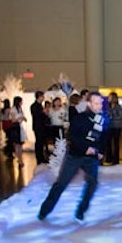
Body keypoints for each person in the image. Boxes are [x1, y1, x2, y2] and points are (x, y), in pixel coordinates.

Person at [38, 91, 109, 222]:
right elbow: (73, 137)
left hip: (91, 158)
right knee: (61, 184)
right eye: (96, 103)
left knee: (92, 183)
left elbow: (104, 138)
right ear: (89, 103)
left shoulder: (103, 119)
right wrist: (85, 148)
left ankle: (81, 211)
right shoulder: (80, 118)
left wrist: (100, 151)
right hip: (74, 156)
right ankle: (44, 210)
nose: (99, 106)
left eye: (101, 103)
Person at [30, 90, 48, 165]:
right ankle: (39, 158)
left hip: (42, 126)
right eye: (42, 96)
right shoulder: (34, 106)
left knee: (41, 142)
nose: (43, 98)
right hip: (38, 126)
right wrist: (43, 112)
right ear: (39, 97)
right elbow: (36, 115)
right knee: (39, 142)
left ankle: (42, 157)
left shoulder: (40, 105)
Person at [105, 92, 122, 165]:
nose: (108, 98)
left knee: (116, 143)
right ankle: (109, 158)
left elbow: (121, 116)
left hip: (116, 127)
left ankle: (116, 159)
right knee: (108, 142)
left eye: (109, 97)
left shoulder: (118, 107)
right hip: (109, 126)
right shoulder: (108, 106)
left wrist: (113, 117)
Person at [10, 96, 27, 167]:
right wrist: (20, 117)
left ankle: (20, 158)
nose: (22, 103)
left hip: (20, 126)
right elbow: (13, 120)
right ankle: (19, 159)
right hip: (15, 127)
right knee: (17, 144)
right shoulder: (13, 109)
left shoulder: (20, 108)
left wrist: (23, 118)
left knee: (20, 144)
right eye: (21, 101)